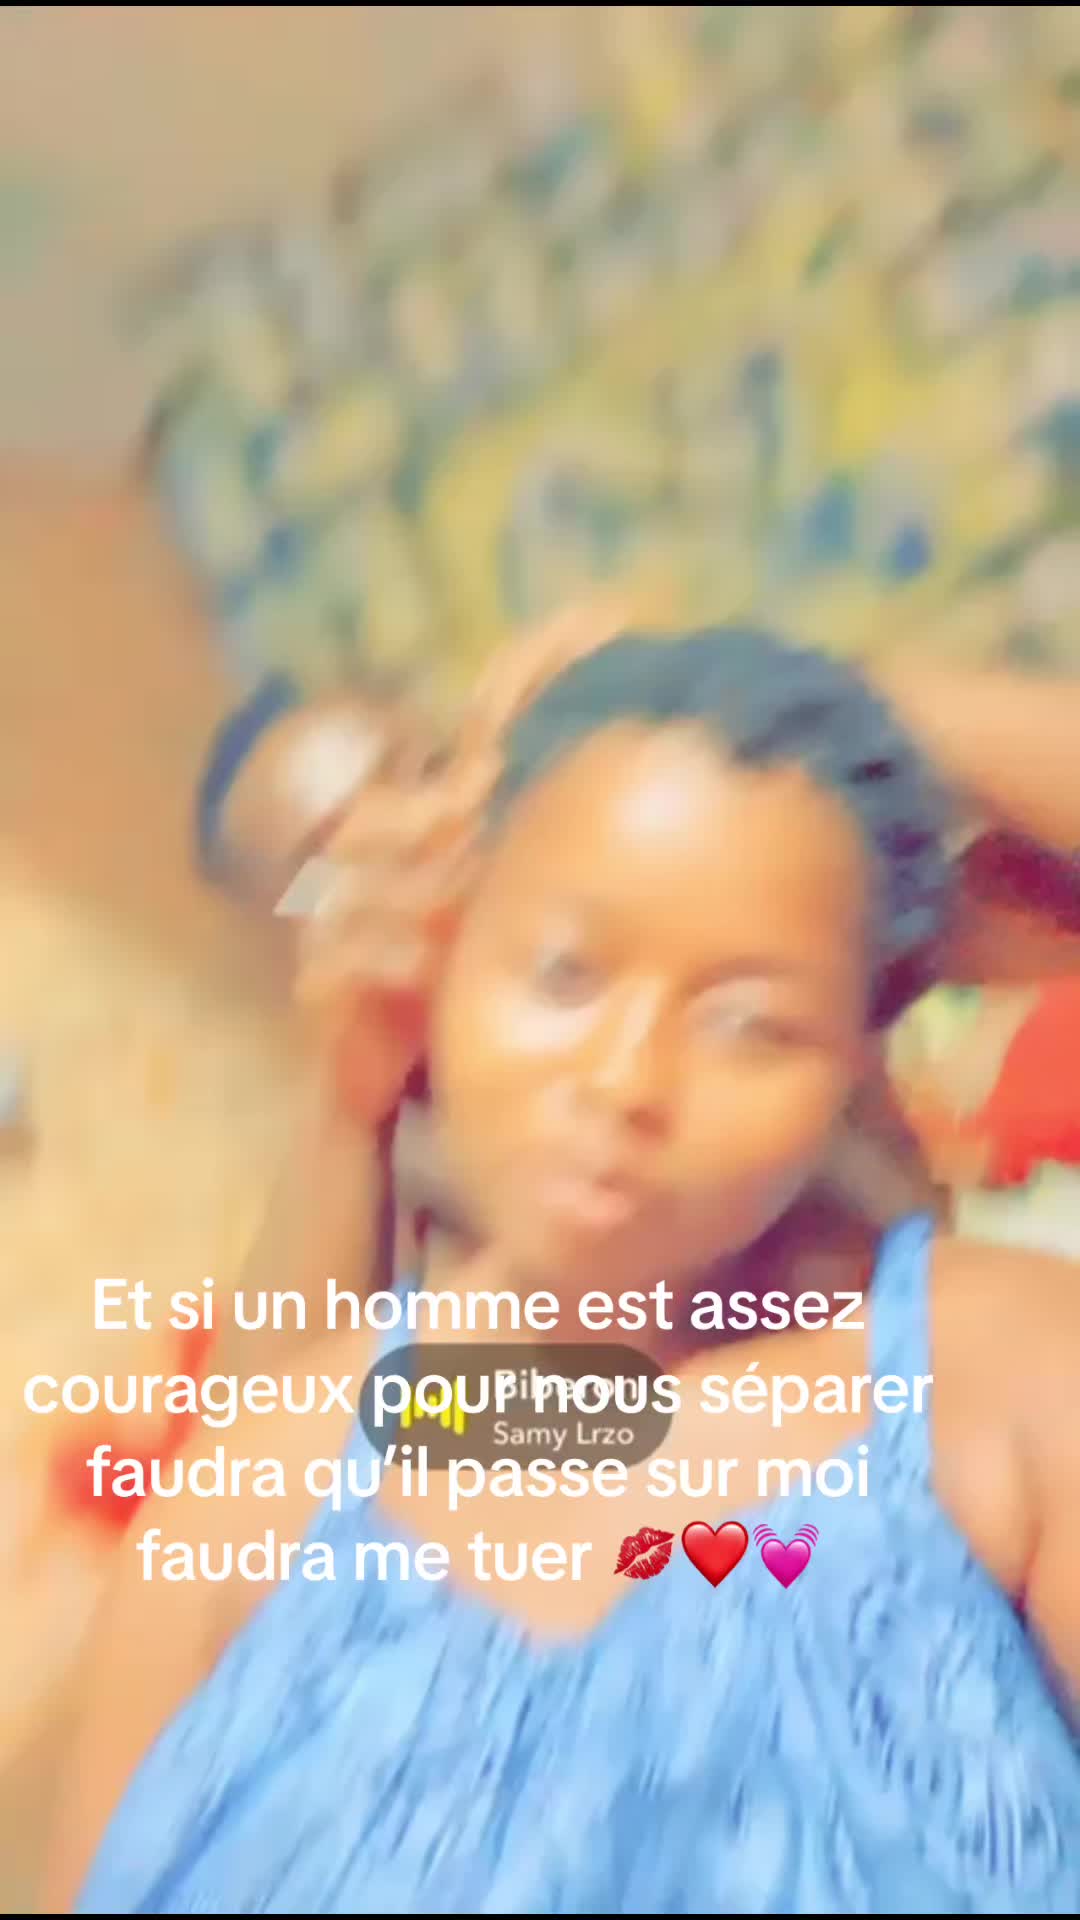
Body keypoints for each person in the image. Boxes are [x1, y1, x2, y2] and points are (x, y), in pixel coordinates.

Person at [49, 626, 1080, 1915]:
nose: (623, 1078)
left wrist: (804, 701)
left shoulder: (998, 1378)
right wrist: (349, 1106)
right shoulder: (302, 1429)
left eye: (750, 1022)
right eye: (563, 974)